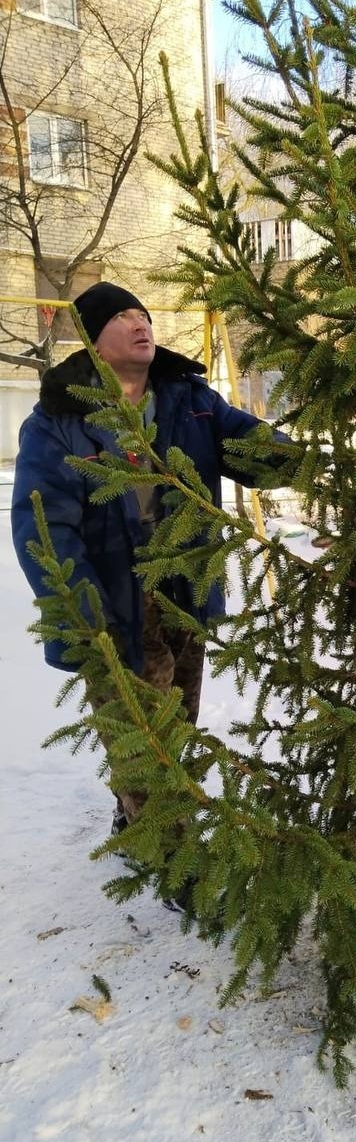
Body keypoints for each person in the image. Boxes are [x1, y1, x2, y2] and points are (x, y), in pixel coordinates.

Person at [11, 282, 288, 845]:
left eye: (143, 313)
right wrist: (84, 613)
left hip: (184, 588)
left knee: (177, 720)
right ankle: (169, 851)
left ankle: (135, 814)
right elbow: (44, 525)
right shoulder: (58, 422)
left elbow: (253, 447)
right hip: (111, 599)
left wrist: (312, 461)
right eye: (122, 316)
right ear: (92, 339)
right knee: (143, 735)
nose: (141, 323)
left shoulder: (190, 401)